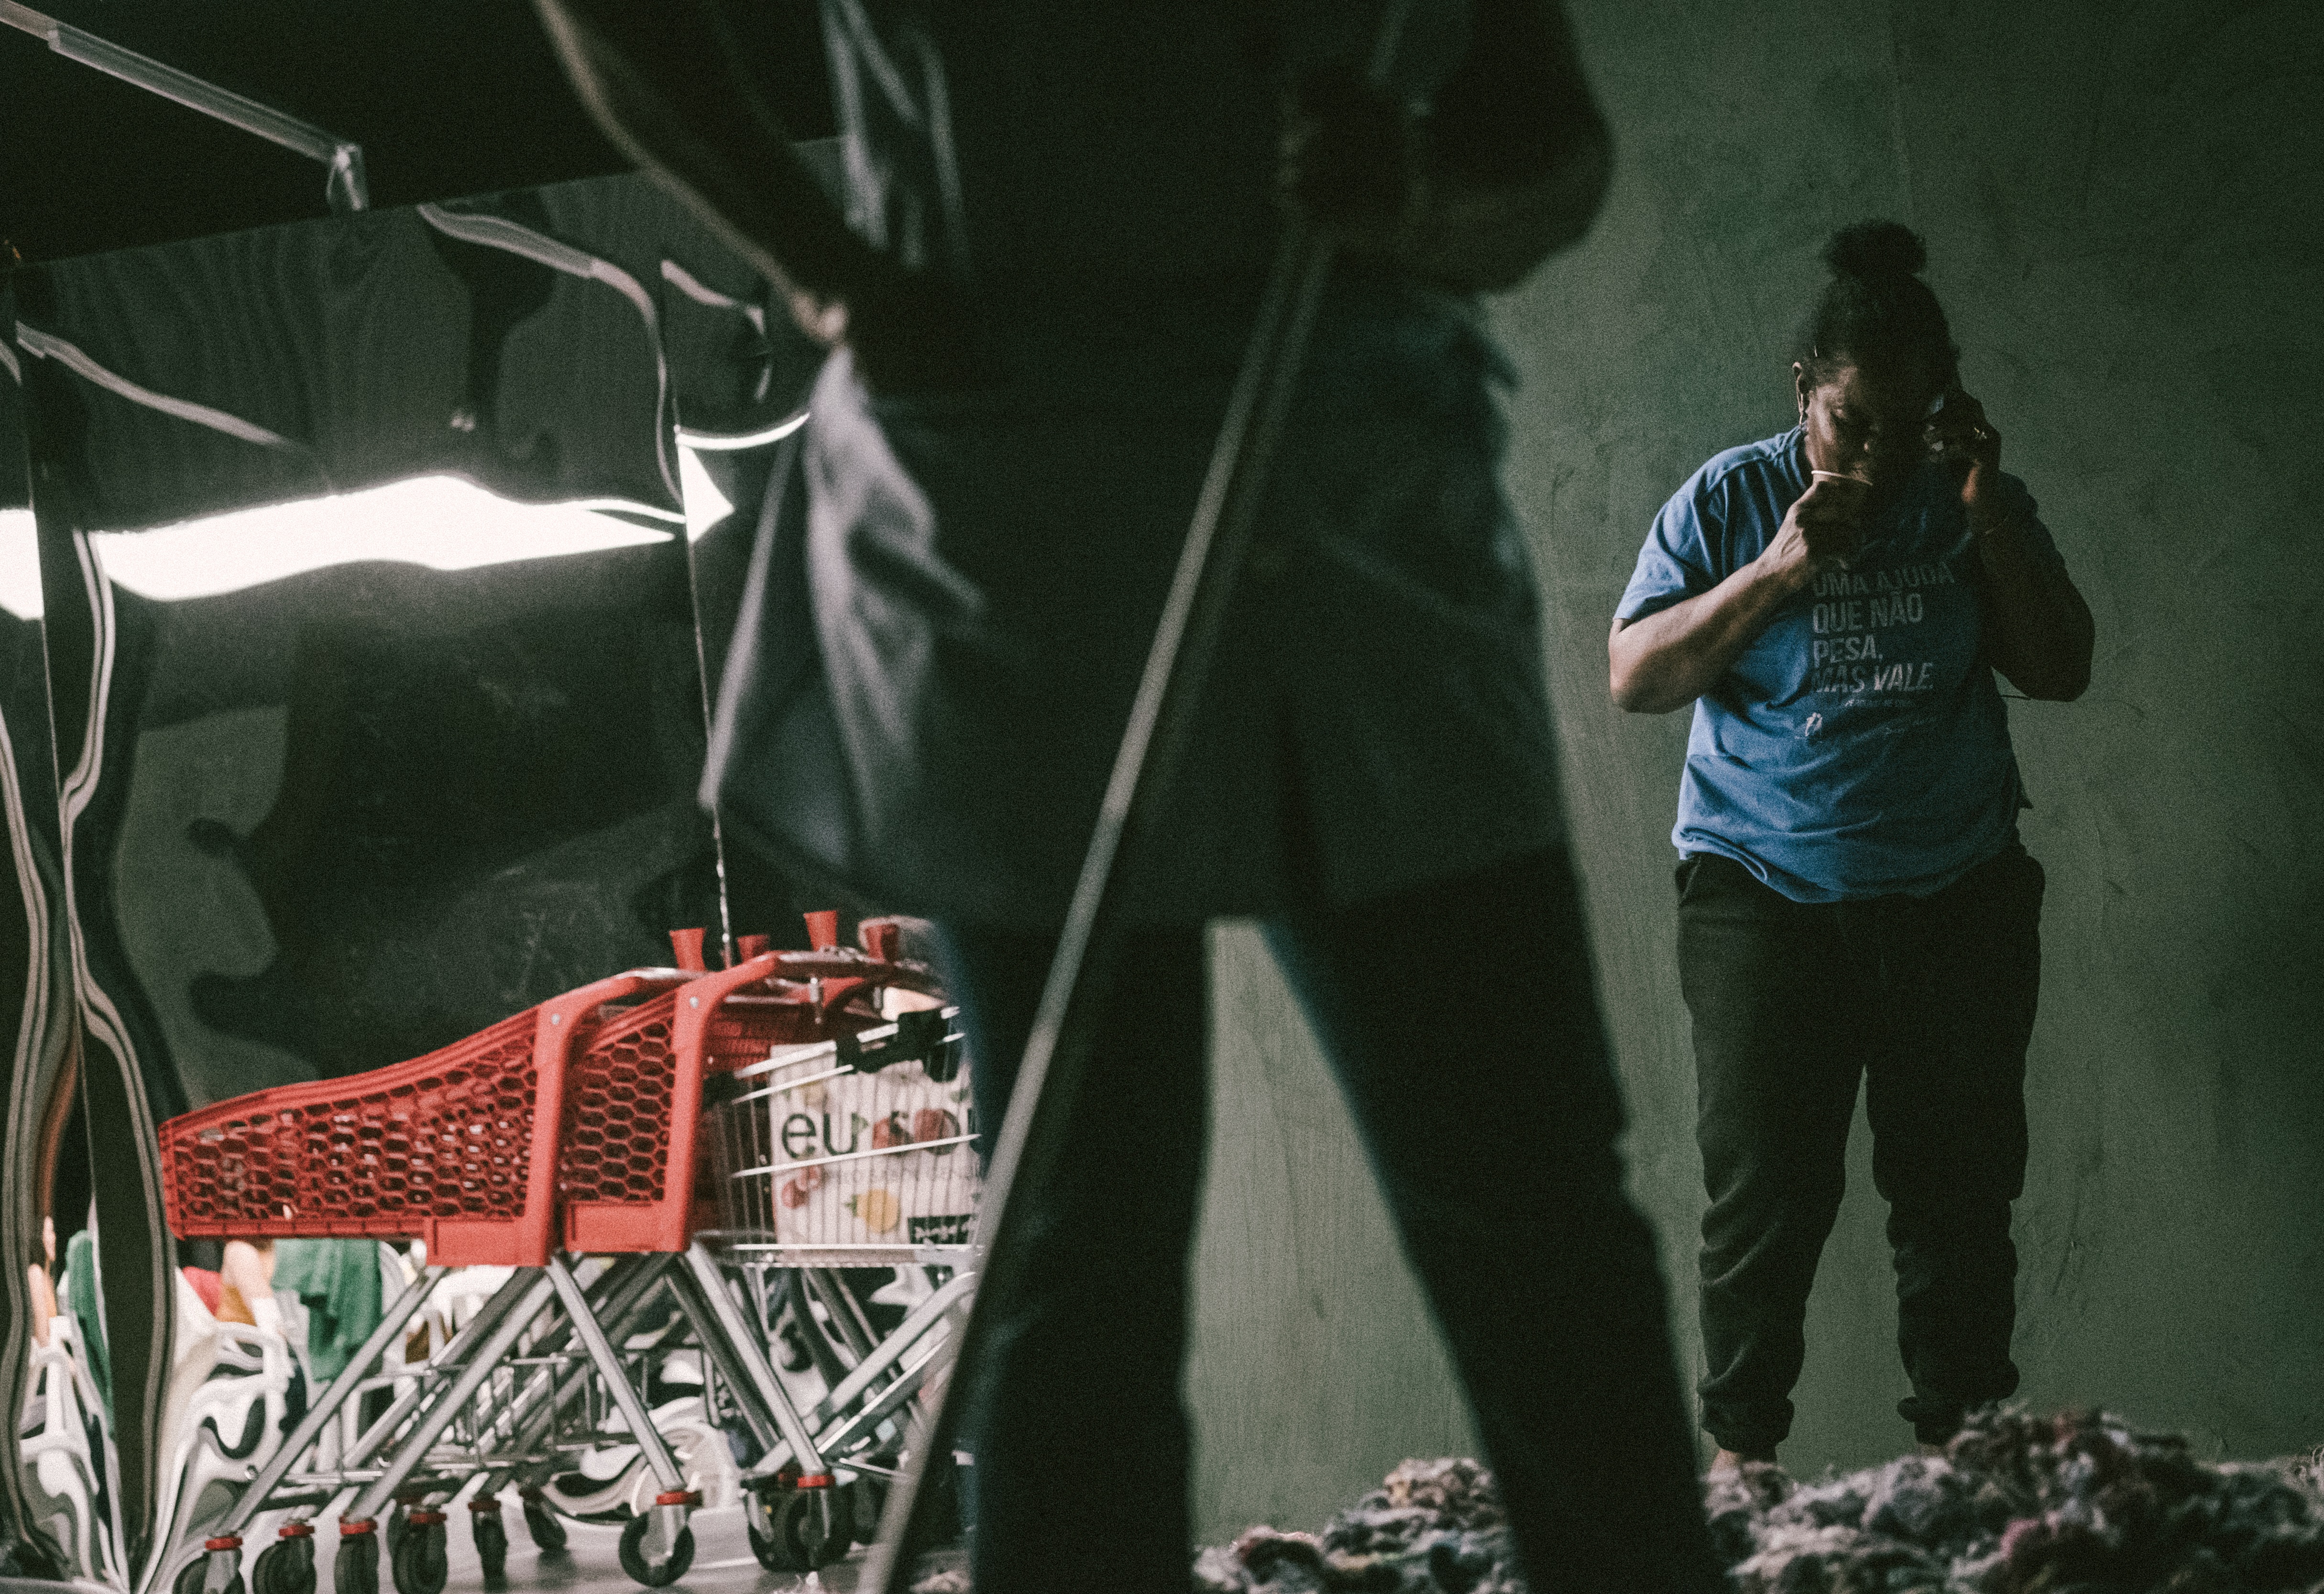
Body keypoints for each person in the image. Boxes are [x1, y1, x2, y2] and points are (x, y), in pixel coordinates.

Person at [531, 3, 1728, 1590]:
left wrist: (1423, 201)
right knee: (1078, 1248)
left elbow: (1545, 132)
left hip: (1353, 493)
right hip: (1017, 526)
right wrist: (830, 264)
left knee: (1534, 1210)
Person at [1608, 221, 2095, 1469]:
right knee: (1762, 1208)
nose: (1876, 458)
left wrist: (1984, 506)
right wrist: (1778, 568)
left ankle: (1966, 1472)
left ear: (1948, 407)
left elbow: (2060, 668)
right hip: (1763, 896)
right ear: (1802, 393)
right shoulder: (1728, 499)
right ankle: (1739, 1474)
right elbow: (1637, 676)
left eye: (1907, 425)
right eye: (1849, 424)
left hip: (1958, 895)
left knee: (1956, 1205)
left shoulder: (1968, 502)